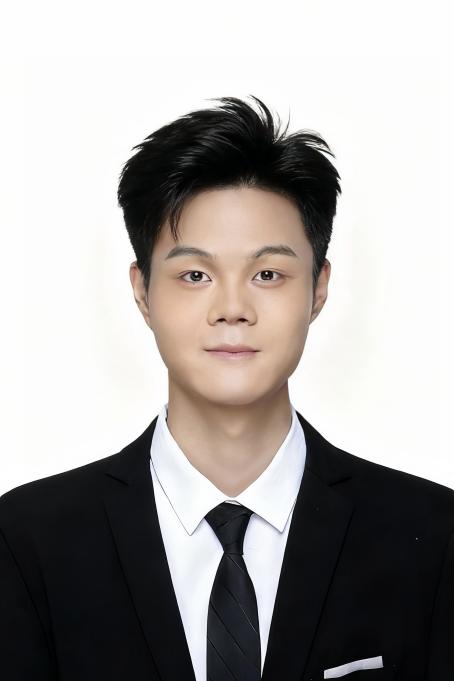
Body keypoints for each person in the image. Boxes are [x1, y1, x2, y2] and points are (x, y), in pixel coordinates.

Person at [0, 95, 452, 681]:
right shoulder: (27, 542)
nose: (232, 308)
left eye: (268, 274)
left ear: (318, 288)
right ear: (142, 291)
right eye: (195, 275)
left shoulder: (431, 536)